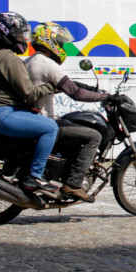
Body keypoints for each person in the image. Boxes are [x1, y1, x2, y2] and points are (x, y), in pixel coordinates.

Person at [26, 21, 111, 203]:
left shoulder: (30, 61)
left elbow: (59, 87)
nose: (62, 47)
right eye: (60, 43)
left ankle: (63, 174)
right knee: (93, 136)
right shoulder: (47, 64)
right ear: (49, 41)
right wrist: (106, 97)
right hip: (46, 121)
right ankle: (73, 184)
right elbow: (75, 93)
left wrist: (89, 88)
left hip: (33, 120)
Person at [0, 12, 60, 194]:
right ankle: (35, 177)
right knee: (50, 127)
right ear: (7, 34)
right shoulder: (10, 59)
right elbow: (29, 94)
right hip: (2, 113)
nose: (23, 39)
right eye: (19, 35)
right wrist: (50, 87)